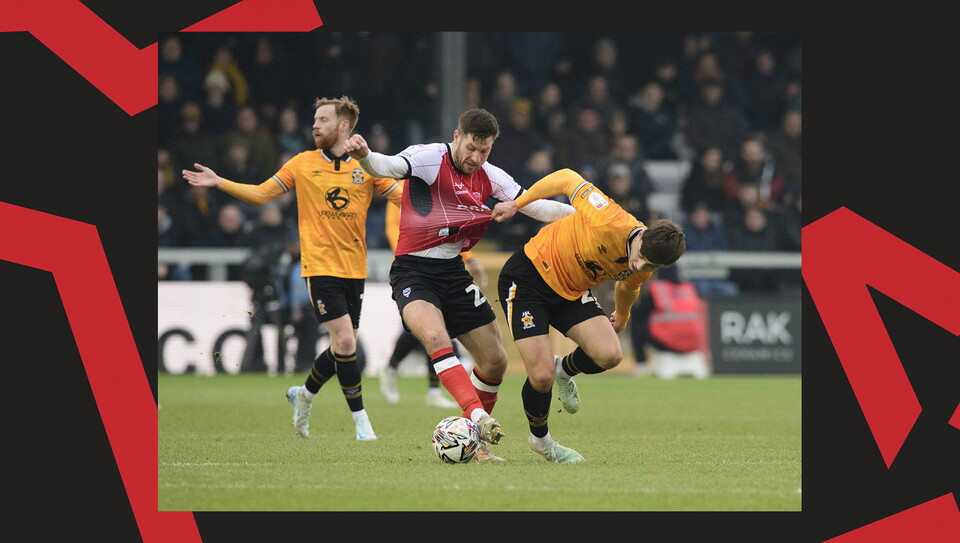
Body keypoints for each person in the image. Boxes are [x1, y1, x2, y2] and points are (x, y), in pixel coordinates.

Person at [343, 108, 575, 461]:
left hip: (453, 272)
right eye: (471, 148)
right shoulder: (428, 158)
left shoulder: (491, 176)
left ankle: (474, 446)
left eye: (484, 151)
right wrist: (365, 156)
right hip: (412, 271)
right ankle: (478, 419)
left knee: (495, 360)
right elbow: (387, 166)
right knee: (436, 337)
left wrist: (587, 213)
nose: (476, 157)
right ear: (456, 137)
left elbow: (535, 206)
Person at [183, 96, 403, 441]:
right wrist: (220, 182)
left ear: (344, 126)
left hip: (355, 269)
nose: (314, 125)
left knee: (340, 347)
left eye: (323, 120)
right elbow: (260, 194)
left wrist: (435, 183)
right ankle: (362, 422)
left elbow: (402, 196)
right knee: (346, 340)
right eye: (314, 119)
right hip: (319, 266)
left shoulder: (367, 166)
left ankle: (304, 395)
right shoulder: (302, 164)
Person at [491, 167, 686, 463]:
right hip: (529, 277)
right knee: (540, 377)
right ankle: (542, 442)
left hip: (571, 292)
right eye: (641, 256)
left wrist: (622, 317)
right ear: (642, 235)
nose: (639, 266)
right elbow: (568, 178)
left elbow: (627, 286)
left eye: (649, 266)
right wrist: (517, 204)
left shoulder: (646, 266)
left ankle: (564, 371)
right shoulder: (609, 216)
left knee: (610, 355)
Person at [379, 202, 483, 409]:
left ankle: (429, 389)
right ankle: (394, 369)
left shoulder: (438, 184)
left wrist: (469, 258)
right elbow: (393, 226)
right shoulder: (401, 185)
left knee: (435, 331)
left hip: (440, 267)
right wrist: (405, 252)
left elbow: (446, 228)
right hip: (410, 267)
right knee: (425, 330)